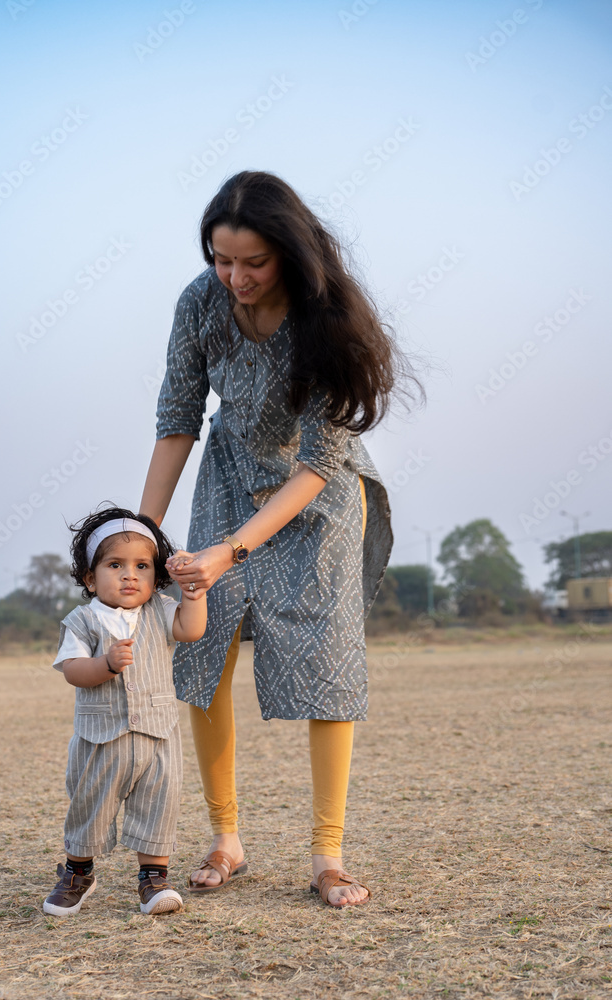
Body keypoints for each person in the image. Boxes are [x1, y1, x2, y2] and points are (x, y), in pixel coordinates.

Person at [140, 171, 410, 908]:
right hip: (228, 475)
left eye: (253, 262)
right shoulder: (200, 303)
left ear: (290, 252)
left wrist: (232, 549)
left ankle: (328, 855)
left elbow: (320, 463)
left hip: (316, 495)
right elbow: (177, 418)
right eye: (222, 260)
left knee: (327, 662)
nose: (235, 278)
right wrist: (142, 533)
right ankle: (225, 837)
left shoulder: (328, 320)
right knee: (202, 644)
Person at [43, 507, 207, 916]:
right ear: (90, 578)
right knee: (90, 805)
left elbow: (191, 629)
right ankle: (78, 873)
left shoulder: (160, 610)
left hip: (158, 735)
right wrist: (106, 664)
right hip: (102, 740)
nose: (129, 575)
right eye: (115, 565)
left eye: (141, 566)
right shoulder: (83, 621)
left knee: (158, 803)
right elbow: (73, 671)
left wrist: (193, 594)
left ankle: (153, 880)